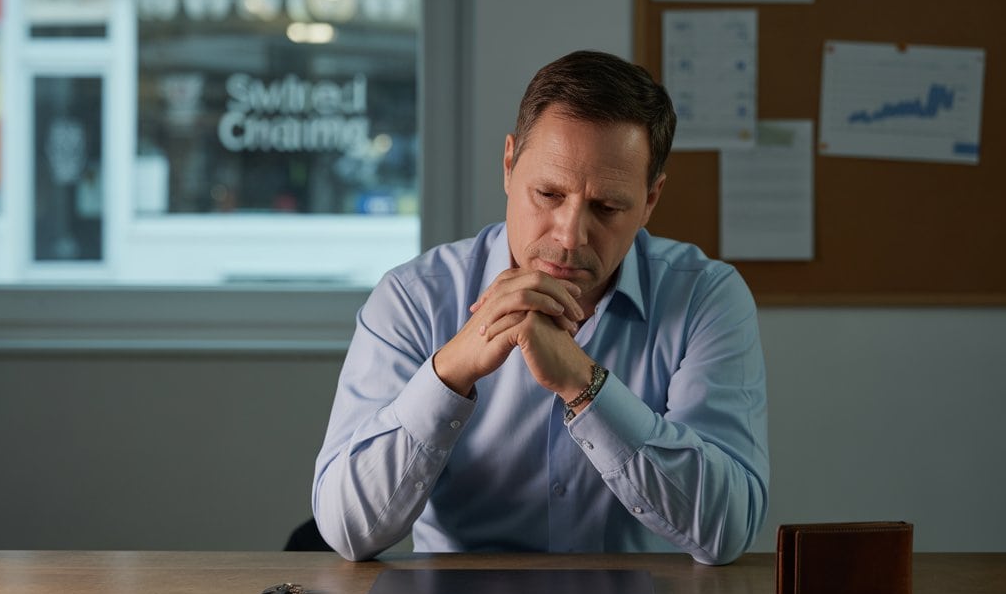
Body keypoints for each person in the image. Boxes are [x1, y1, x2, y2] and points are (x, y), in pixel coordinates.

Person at [312, 50, 768, 564]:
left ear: (651, 200)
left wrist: (585, 385)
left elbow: (728, 529)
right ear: (509, 166)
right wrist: (452, 369)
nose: (570, 236)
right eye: (549, 194)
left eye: (607, 207)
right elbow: (348, 530)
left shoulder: (705, 298)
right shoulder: (413, 298)